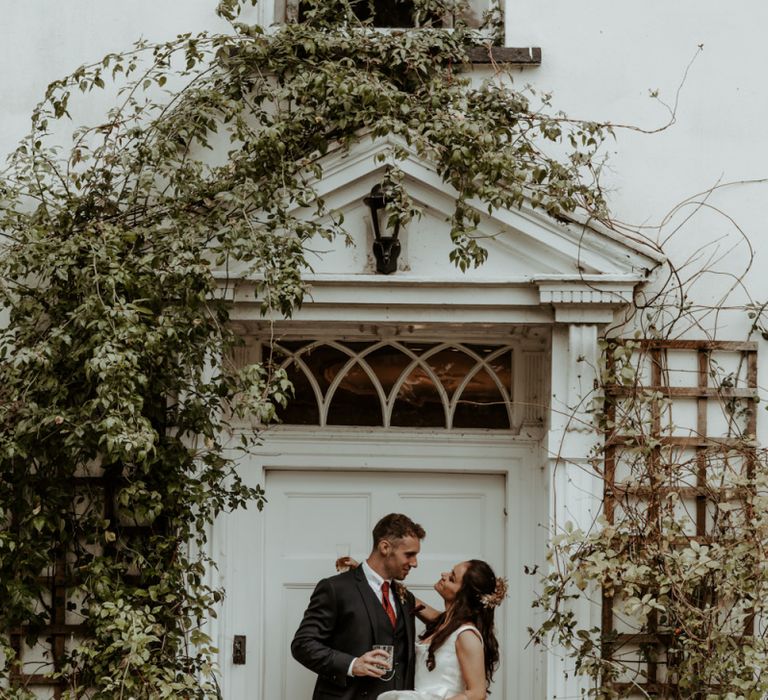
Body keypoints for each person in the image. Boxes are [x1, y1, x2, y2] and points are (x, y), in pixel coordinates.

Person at [291, 513, 426, 700]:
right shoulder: (336, 588)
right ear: (385, 547)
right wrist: (352, 664)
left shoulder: (405, 597)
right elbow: (303, 645)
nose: (415, 563)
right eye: (409, 554)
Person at [377, 559, 506, 700]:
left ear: (464, 595)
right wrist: (368, 572)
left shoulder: (466, 635)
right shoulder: (444, 623)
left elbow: (477, 693)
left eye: (452, 578)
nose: (443, 575)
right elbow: (409, 600)